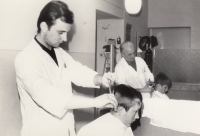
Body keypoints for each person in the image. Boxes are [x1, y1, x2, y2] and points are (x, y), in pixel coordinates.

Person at [14, 1, 117, 136]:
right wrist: (95, 102)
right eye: (61, 32)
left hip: (65, 129)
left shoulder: (59, 53)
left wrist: (100, 79)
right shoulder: (25, 59)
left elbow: (78, 71)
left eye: (67, 32)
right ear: (44, 26)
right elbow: (51, 96)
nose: (65, 38)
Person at [77, 84, 142, 136]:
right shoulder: (105, 130)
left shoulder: (125, 124)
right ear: (120, 111)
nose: (137, 116)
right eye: (135, 112)